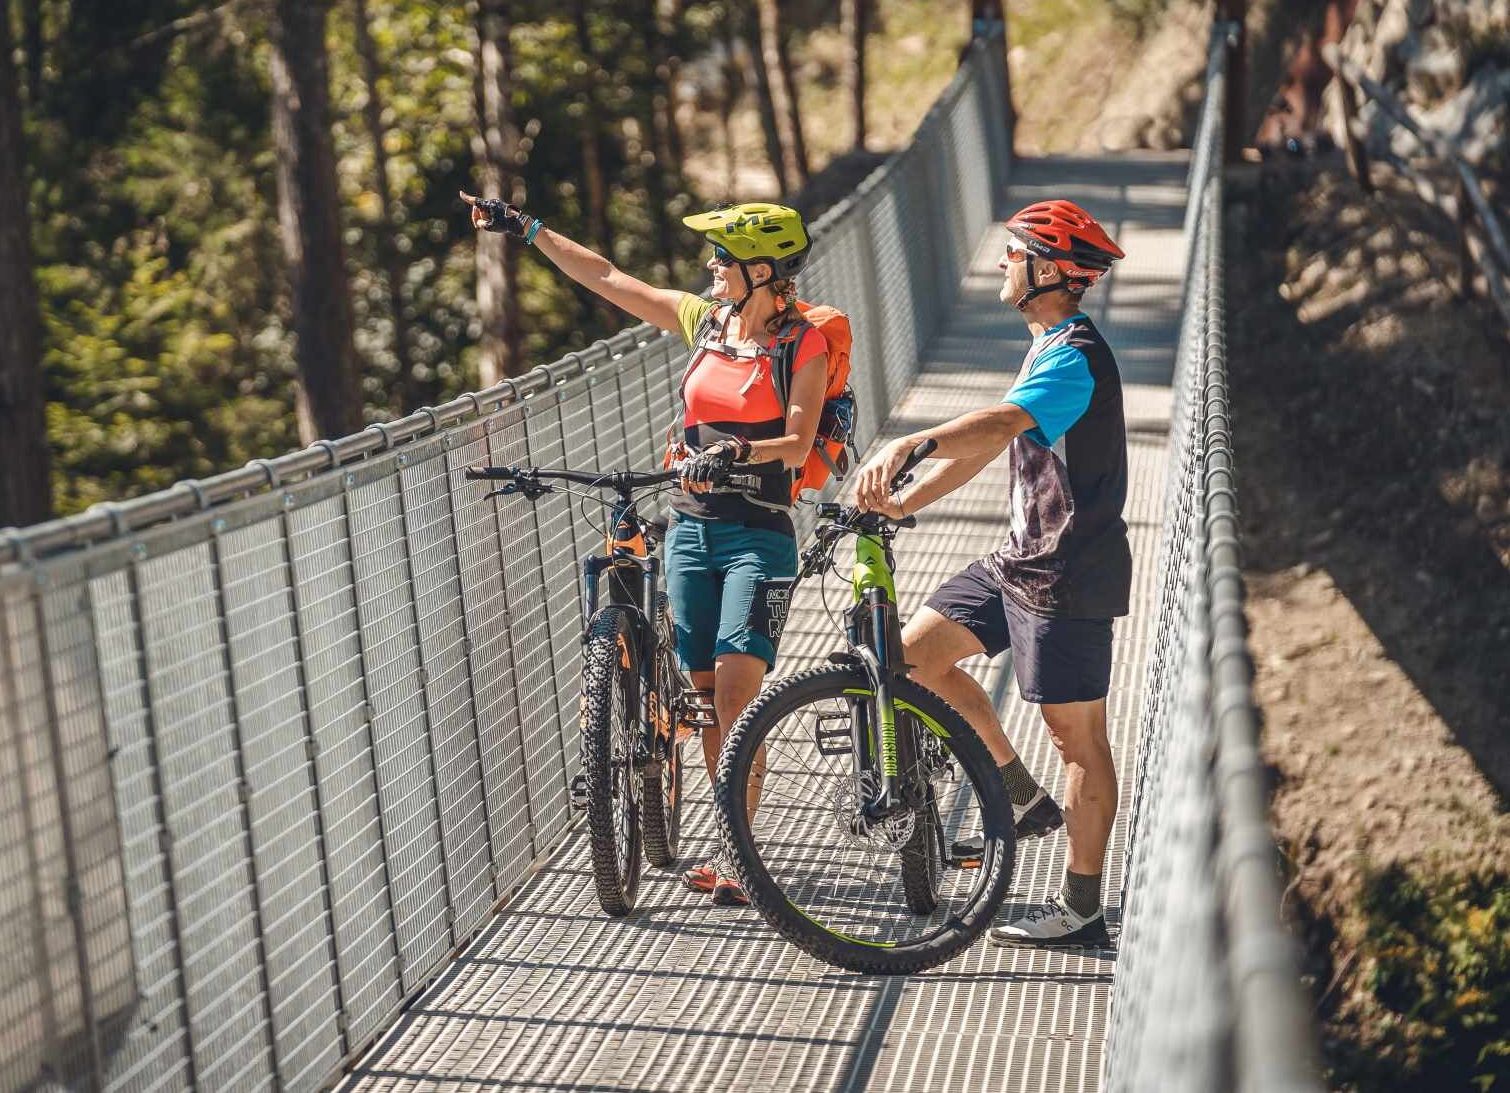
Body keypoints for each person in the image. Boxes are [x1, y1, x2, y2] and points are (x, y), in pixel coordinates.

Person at [462, 191, 826, 906]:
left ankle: (737, 857)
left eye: (723, 257)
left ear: (763, 268)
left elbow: (801, 439)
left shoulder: (799, 343)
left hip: (758, 531)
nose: (711, 265)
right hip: (689, 526)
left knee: (734, 691)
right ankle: (724, 831)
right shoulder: (705, 321)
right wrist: (527, 228)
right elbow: (605, 278)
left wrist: (735, 450)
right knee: (702, 699)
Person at [846, 198, 1129, 950]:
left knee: (1077, 739)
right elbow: (987, 446)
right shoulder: (1046, 344)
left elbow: (998, 425)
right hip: (1016, 560)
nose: (1001, 263)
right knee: (911, 658)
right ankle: (1015, 789)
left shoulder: (1074, 356)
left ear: (1046, 269)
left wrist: (913, 439)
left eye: (1013, 253)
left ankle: (1080, 908)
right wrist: (901, 505)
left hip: (1066, 575)